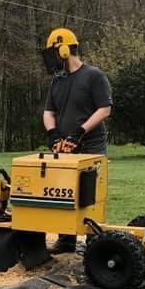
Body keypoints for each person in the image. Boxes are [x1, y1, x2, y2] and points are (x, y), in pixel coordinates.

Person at [41, 28, 113, 253]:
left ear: (63, 50)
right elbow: (48, 112)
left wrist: (80, 131)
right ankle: (66, 240)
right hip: (65, 147)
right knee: (65, 193)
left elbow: (104, 109)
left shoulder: (94, 76)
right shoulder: (57, 81)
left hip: (91, 144)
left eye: (52, 54)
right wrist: (53, 134)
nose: (50, 60)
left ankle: (95, 242)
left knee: (90, 194)